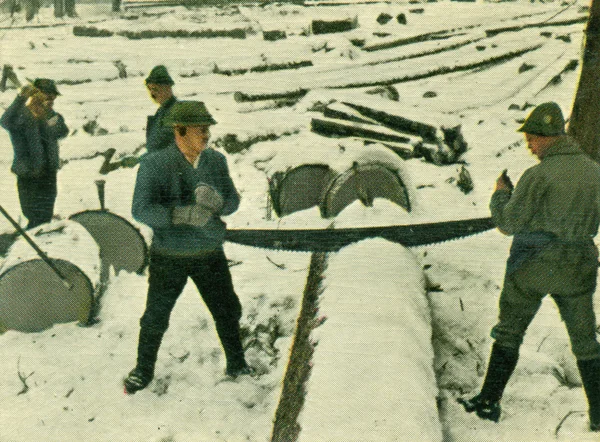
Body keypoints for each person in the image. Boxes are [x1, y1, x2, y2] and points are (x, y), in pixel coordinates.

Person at [458, 102, 600, 431]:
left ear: (547, 137)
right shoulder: (595, 172)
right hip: (579, 264)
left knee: (509, 332)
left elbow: (509, 223)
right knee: (584, 341)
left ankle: (488, 402)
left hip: (533, 265)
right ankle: (599, 416)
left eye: (531, 139)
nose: (529, 146)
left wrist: (500, 195)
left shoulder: (537, 175)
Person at [124, 100, 252, 394]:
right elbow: (141, 209)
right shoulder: (154, 164)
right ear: (179, 131)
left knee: (226, 310)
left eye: (207, 129)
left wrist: (219, 203)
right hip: (169, 256)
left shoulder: (216, 161)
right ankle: (143, 370)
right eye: (200, 130)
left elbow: (233, 201)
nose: (207, 135)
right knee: (156, 315)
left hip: (209, 253)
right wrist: (180, 214)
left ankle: (237, 362)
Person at [0, 78, 69, 229]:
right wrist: (20, 99)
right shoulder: (21, 116)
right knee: (33, 216)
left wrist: (48, 113)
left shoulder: (50, 116)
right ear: (36, 95)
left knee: (45, 217)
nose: (51, 101)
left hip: (48, 174)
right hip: (29, 175)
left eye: (53, 98)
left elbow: (63, 131)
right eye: (48, 97)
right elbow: (5, 121)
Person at [144, 65, 177, 153]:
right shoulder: (161, 111)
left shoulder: (176, 112)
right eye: (149, 89)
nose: (152, 93)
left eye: (155, 88)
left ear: (167, 87)